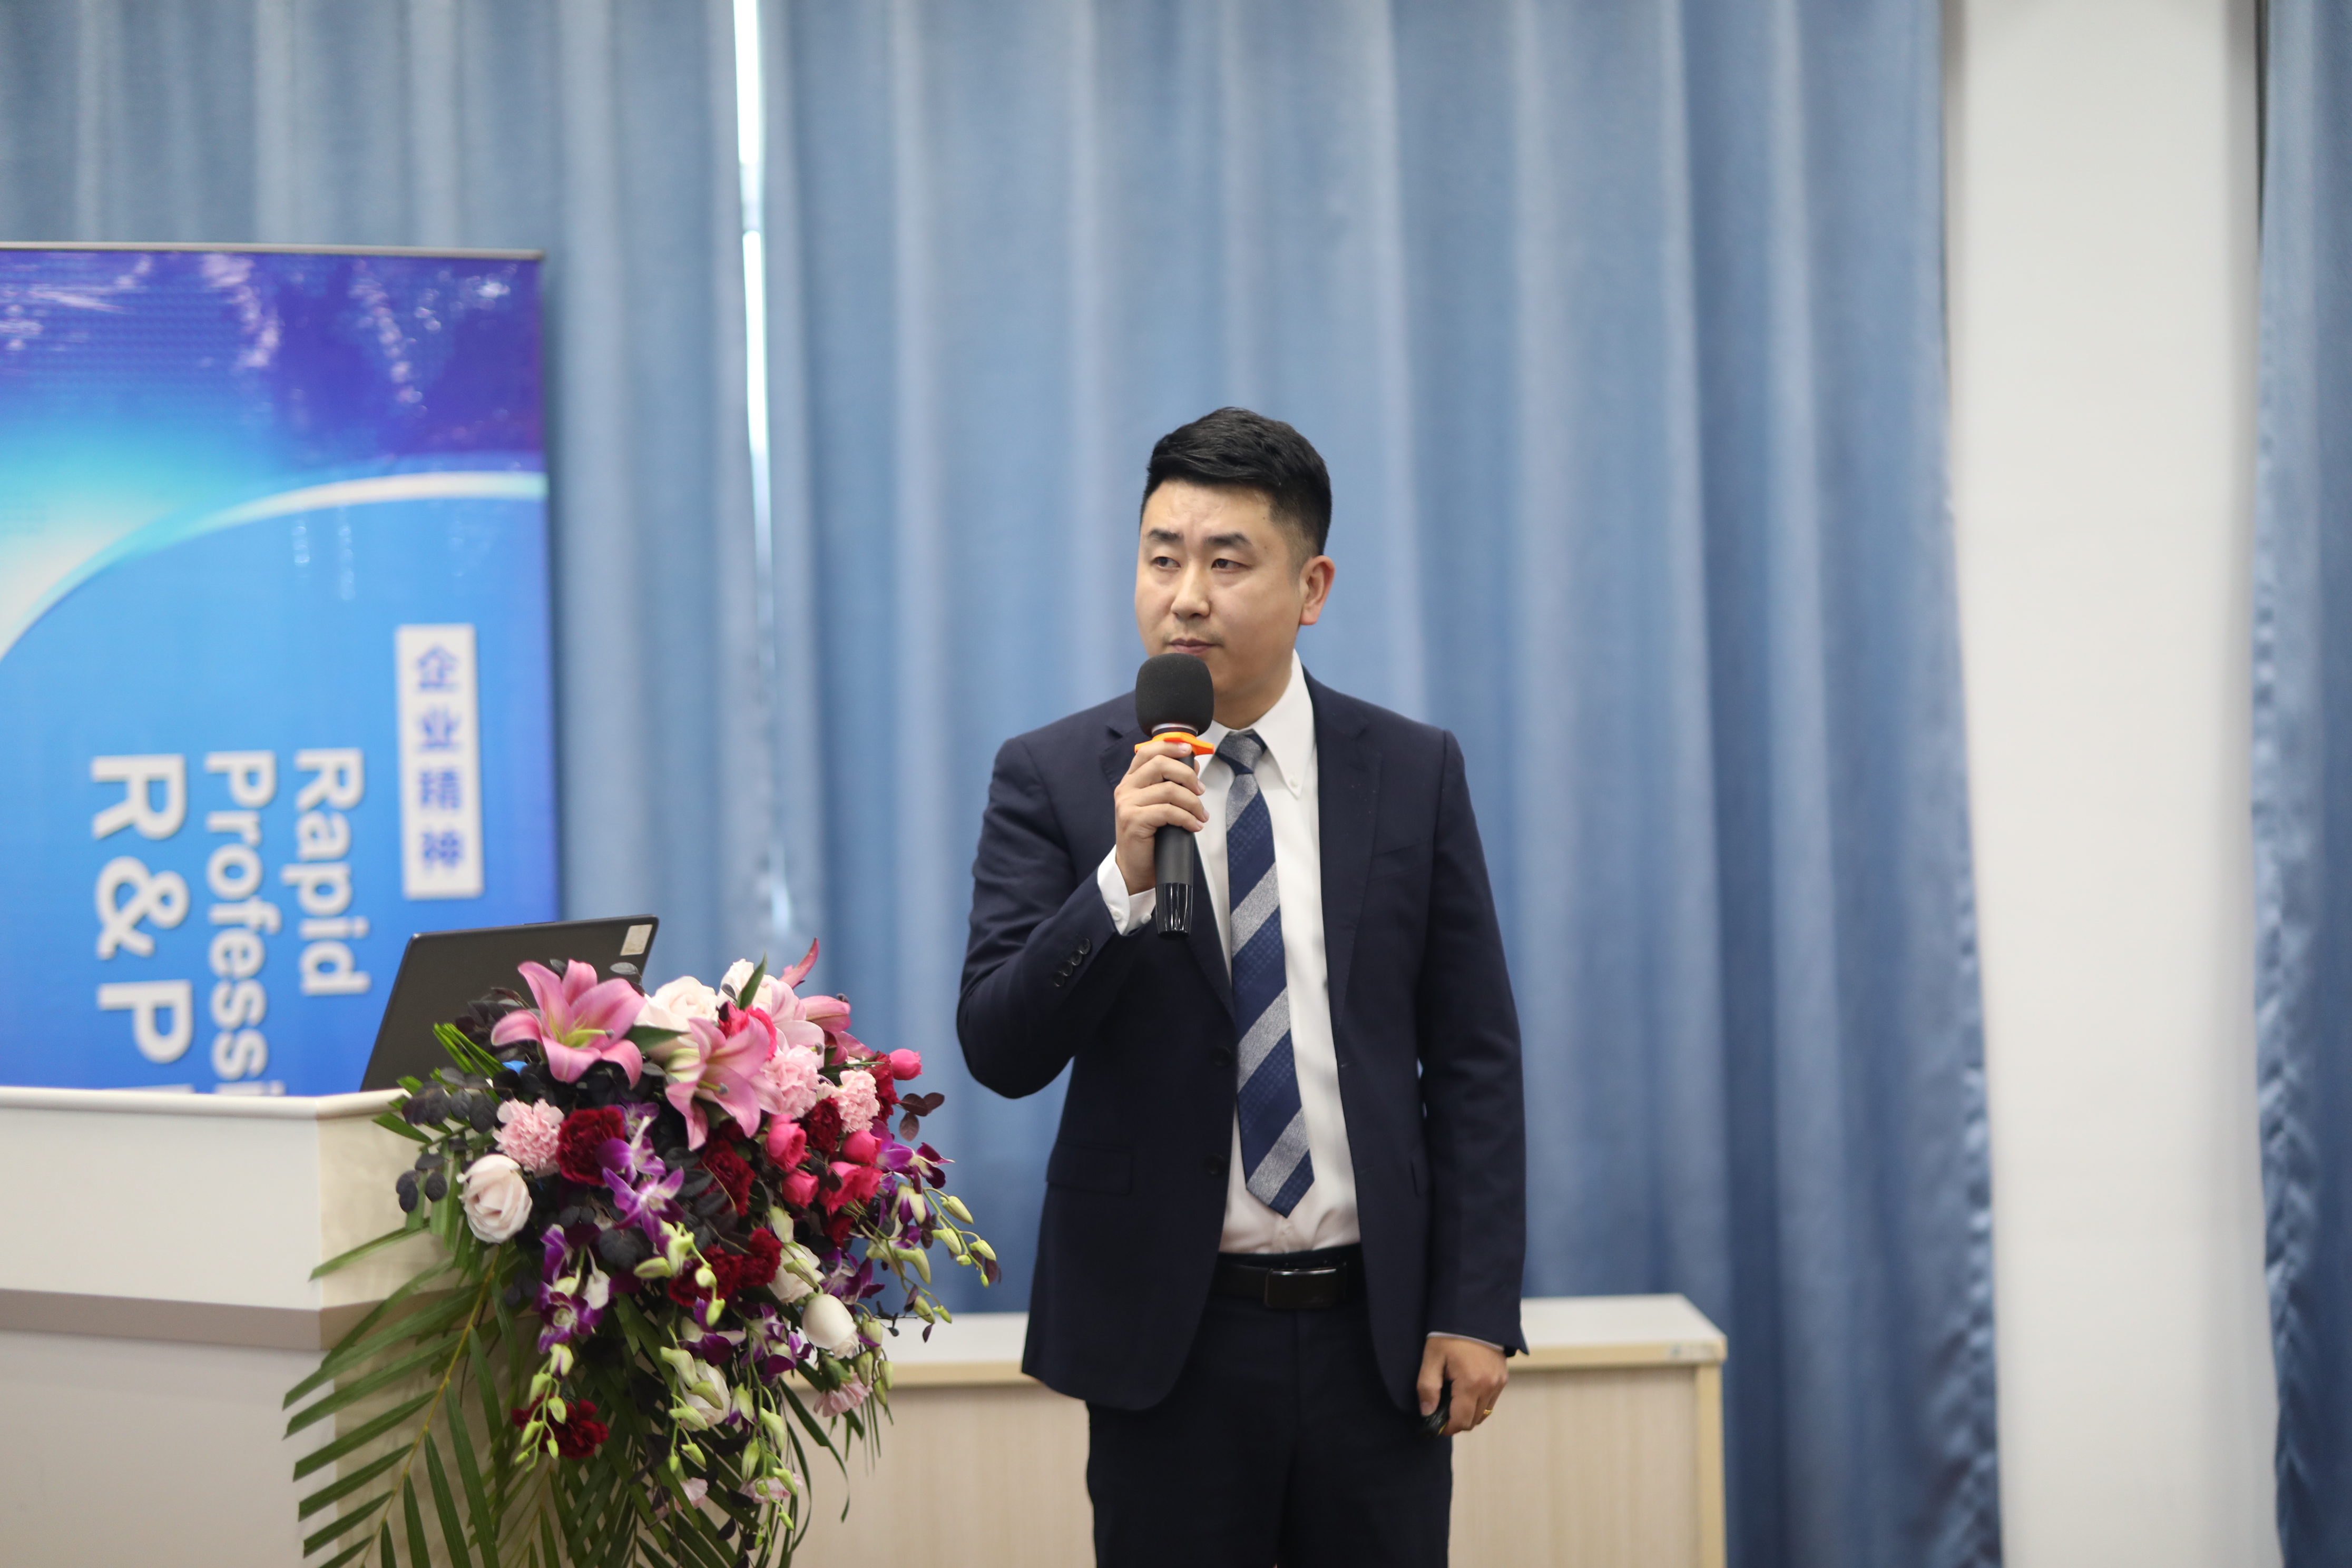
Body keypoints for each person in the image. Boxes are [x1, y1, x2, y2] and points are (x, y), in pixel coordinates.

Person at [958, 407, 1526, 1566]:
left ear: (1312, 586)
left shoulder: (1412, 770)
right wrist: (1117, 886)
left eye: (1227, 563)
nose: (1186, 597)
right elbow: (1000, 1048)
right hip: (1170, 1344)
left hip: (1376, 1337)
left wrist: (1472, 1306)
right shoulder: (1056, 776)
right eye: (1162, 557)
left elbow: (1475, 1058)